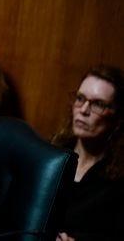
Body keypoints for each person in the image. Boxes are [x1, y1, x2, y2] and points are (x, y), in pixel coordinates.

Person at [52, 65, 124, 241]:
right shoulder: (49, 156)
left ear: (117, 118)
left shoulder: (118, 181)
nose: (84, 110)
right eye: (80, 98)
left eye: (98, 104)